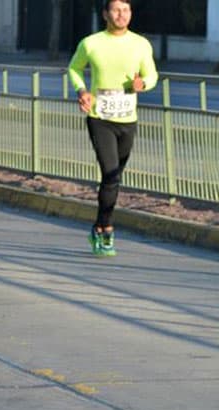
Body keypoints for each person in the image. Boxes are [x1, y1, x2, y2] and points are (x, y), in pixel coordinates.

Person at [67, 0, 156, 257]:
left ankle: (97, 224)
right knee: (110, 172)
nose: (121, 15)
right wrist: (82, 90)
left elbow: (151, 75)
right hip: (100, 117)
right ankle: (106, 229)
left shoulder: (140, 44)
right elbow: (74, 68)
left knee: (113, 179)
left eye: (126, 10)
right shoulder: (91, 43)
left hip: (128, 119)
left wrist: (143, 84)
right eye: (116, 10)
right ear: (106, 14)